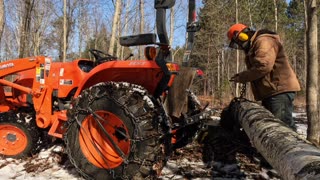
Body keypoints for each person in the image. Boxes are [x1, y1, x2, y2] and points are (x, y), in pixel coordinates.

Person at [227, 23, 301, 131]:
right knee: (273, 128)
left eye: (238, 42)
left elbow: (264, 66)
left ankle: (295, 148)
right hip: (272, 91)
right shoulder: (255, 44)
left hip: (279, 90)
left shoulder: (264, 41)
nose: (240, 46)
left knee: (283, 128)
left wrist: (243, 76)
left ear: (243, 35)